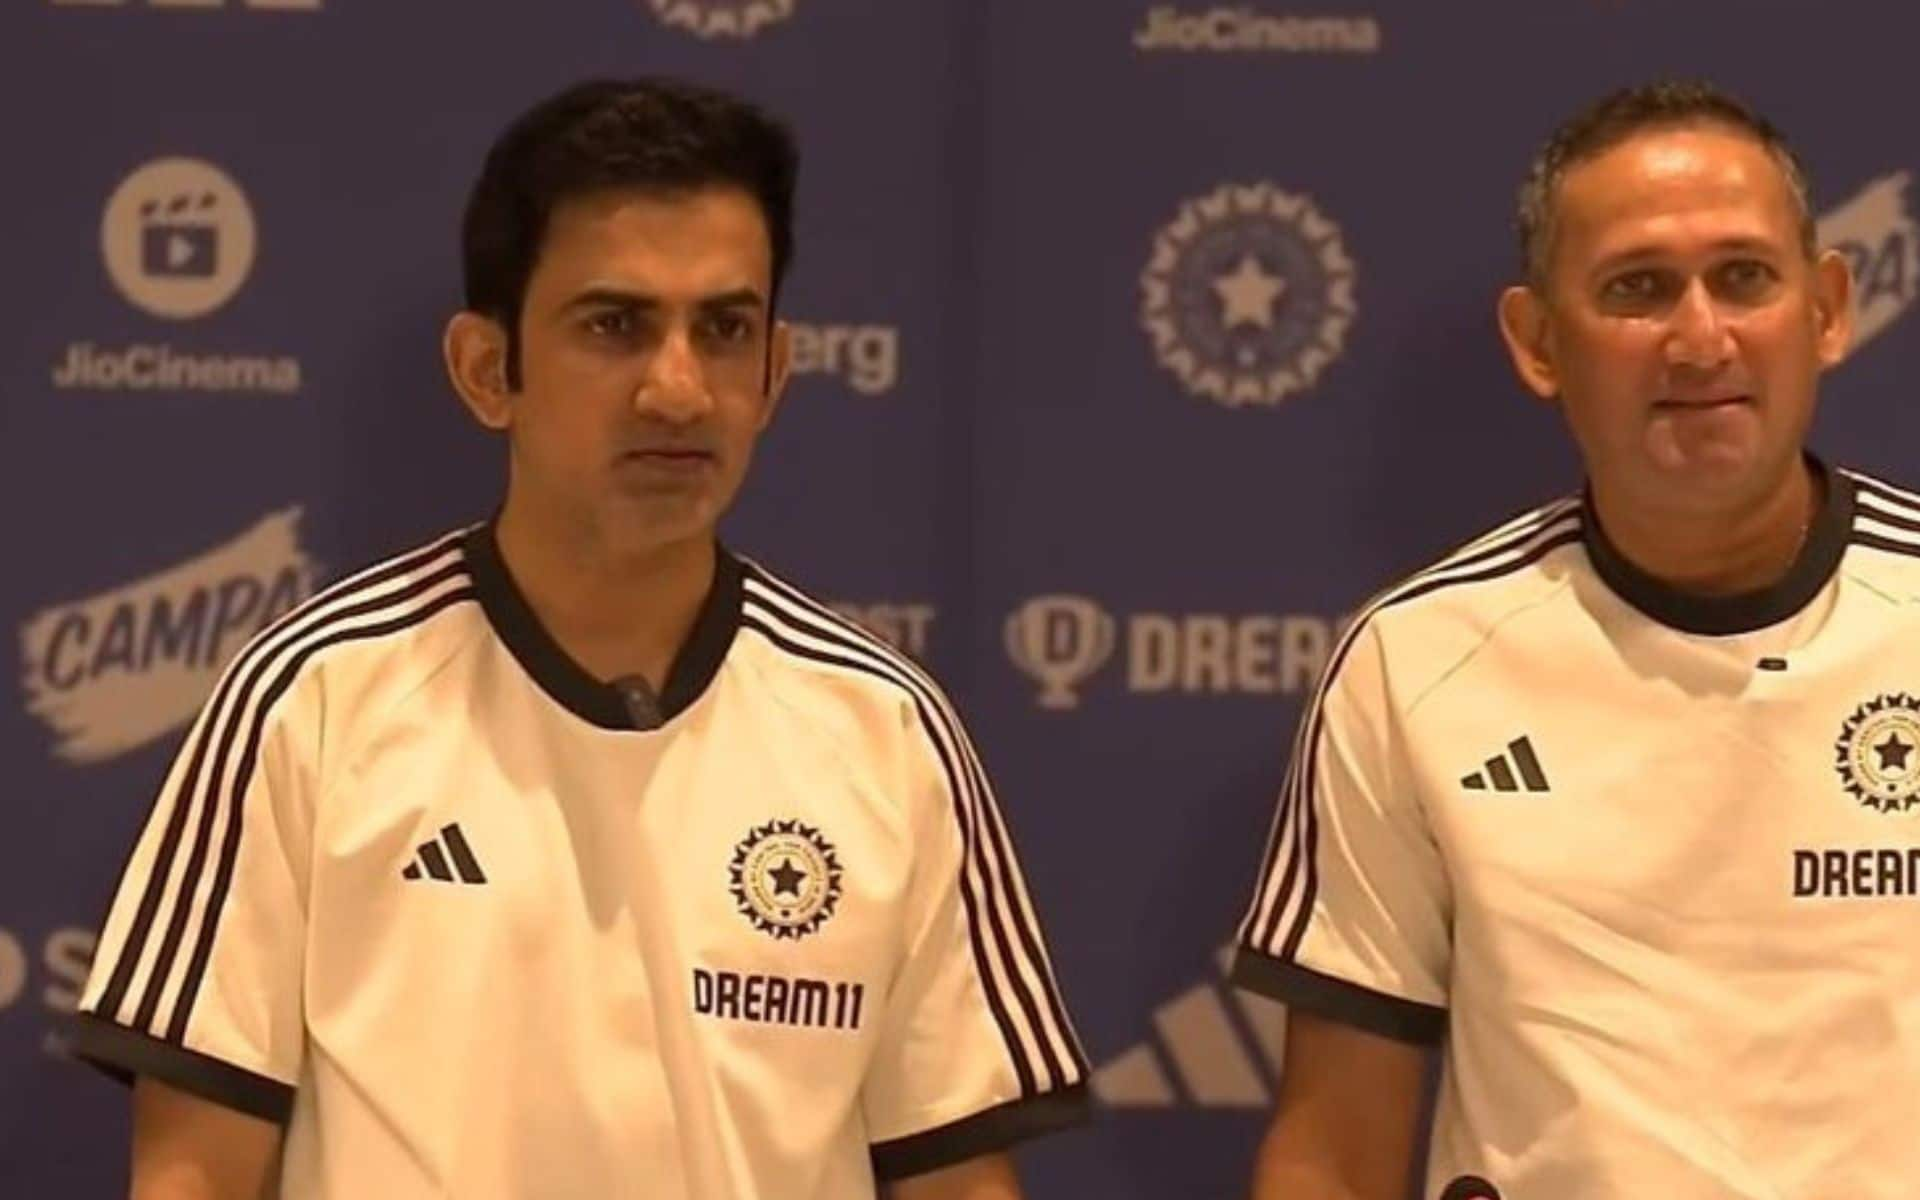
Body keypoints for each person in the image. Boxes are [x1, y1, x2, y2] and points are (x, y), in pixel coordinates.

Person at [72, 77, 1087, 1200]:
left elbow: (957, 1182)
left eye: (725, 329)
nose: (677, 388)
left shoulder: (888, 732)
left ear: (777, 373)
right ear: (484, 369)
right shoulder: (312, 699)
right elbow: (192, 1179)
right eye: (615, 326)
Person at [1234, 80, 1919, 1198]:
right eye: (1638, 290)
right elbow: (1335, 1154)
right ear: (1540, 342)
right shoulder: (1417, 660)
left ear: (1829, 308)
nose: (1700, 338)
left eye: (1743, 278)